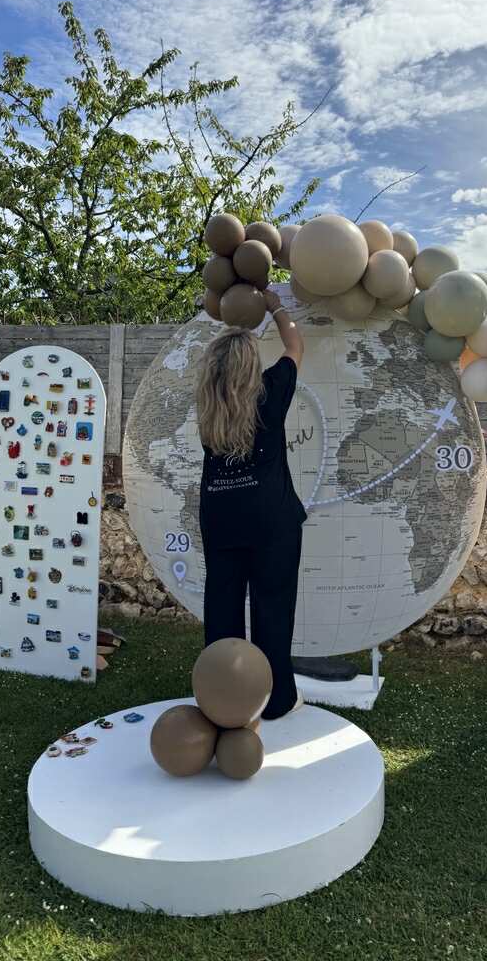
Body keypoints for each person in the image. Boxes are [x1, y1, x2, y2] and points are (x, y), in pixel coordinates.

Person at [195, 289, 306, 720]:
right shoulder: (270, 392)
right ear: (250, 367)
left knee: (221, 609)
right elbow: (295, 345)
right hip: (271, 523)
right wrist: (275, 306)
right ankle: (274, 701)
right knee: (272, 608)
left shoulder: (208, 406)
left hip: (221, 519)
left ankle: (222, 698)